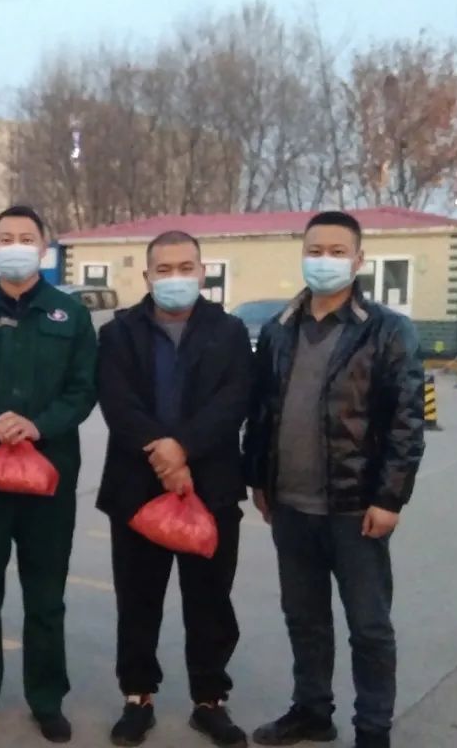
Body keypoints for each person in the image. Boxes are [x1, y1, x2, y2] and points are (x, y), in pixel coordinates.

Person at [245, 211, 424, 748]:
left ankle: (372, 729)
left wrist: (389, 498)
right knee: (305, 619)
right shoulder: (279, 329)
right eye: (315, 250)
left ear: (359, 260)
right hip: (291, 505)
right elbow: (262, 411)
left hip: (355, 507)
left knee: (369, 627)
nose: (324, 261)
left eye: (337, 251)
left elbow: (406, 421)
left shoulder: (386, 330)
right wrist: (260, 479)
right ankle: (312, 711)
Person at [0, 205, 97, 744]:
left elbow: (84, 389)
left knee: (45, 595)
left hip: (49, 475)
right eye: (5, 237)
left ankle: (46, 699)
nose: (15, 246)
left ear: (44, 248)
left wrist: (38, 425)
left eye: (26, 238)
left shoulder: (69, 315)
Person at [96, 231, 253, 747]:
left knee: (210, 601)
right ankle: (137, 697)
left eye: (186, 267)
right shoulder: (119, 333)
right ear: (147, 276)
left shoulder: (229, 332)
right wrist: (164, 456)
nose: (175, 277)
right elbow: (118, 402)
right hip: (136, 489)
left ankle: (209, 701)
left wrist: (183, 449)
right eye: (164, 269)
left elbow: (234, 400)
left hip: (212, 487)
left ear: (202, 272)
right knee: (137, 600)